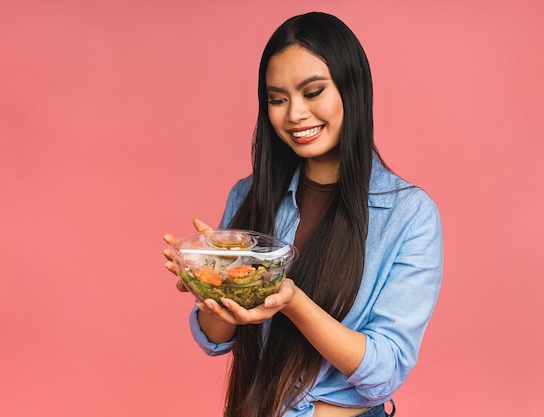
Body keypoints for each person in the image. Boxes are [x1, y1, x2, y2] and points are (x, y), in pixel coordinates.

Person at [163, 11, 443, 417]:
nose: (294, 114)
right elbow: (215, 340)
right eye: (277, 99)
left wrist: (291, 300)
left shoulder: (409, 215)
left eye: (313, 92)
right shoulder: (250, 193)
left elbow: (385, 370)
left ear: (352, 89)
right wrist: (212, 286)